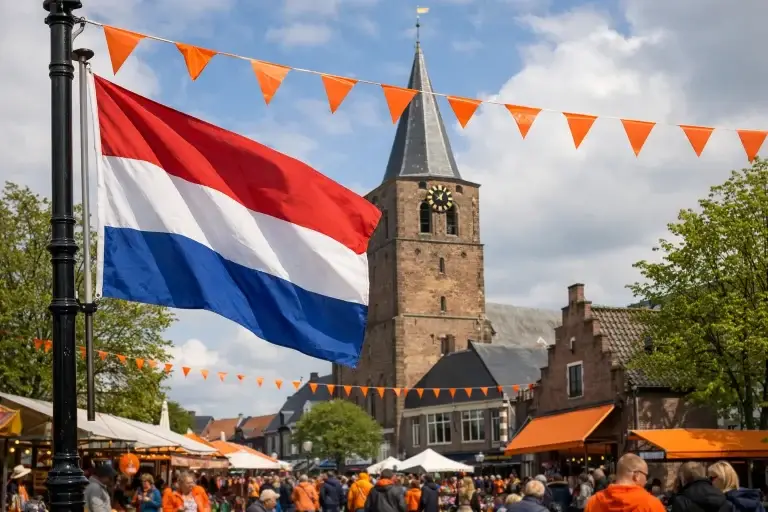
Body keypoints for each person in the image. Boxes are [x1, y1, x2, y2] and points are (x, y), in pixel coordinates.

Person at [585, 453, 665, 512]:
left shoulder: (593, 502)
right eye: (646, 476)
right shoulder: (652, 505)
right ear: (636, 475)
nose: (646, 480)